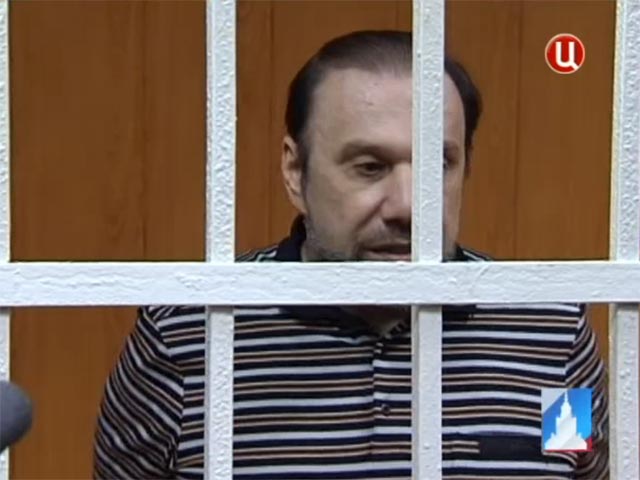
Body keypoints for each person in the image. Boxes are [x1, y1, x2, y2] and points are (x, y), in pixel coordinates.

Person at [93, 30, 608, 479]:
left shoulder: (549, 331)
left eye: (437, 164)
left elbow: (578, 467)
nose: (408, 206)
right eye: (369, 167)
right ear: (295, 172)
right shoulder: (187, 335)